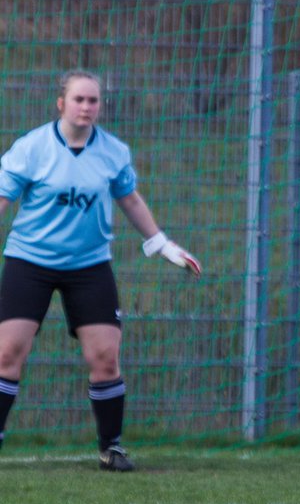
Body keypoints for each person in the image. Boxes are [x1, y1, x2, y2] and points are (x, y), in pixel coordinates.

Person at [0, 69, 201, 471]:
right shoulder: (31, 148)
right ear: (61, 103)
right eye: (79, 99)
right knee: (7, 354)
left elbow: (129, 200)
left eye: (93, 101)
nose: (87, 107)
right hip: (29, 262)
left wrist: (160, 243)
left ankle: (111, 448)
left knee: (106, 357)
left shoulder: (113, 151)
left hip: (89, 267)